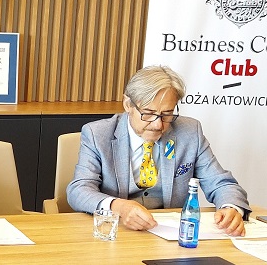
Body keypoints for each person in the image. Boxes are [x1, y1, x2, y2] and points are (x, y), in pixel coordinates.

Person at [66, 65, 249, 236]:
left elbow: (221, 183)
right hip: (116, 232)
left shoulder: (190, 132)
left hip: (170, 236)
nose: (158, 125)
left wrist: (231, 207)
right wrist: (118, 207)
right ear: (128, 104)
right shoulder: (98, 134)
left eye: (167, 114)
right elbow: (79, 189)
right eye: (148, 113)